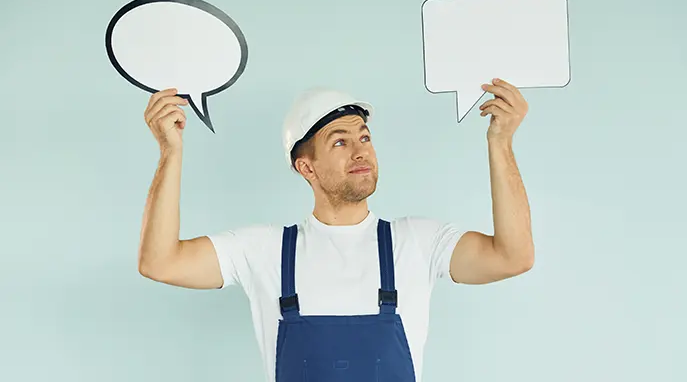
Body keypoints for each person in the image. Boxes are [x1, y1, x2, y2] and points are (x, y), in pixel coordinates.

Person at [137, 78, 535, 382]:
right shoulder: (264, 250)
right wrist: (170, 152)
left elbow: (512, 256)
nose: (361, 150)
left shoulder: (418, 242)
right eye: (339, 142)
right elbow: (160, 262)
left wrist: (501, 143)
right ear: (306, 167)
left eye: (364, 137)